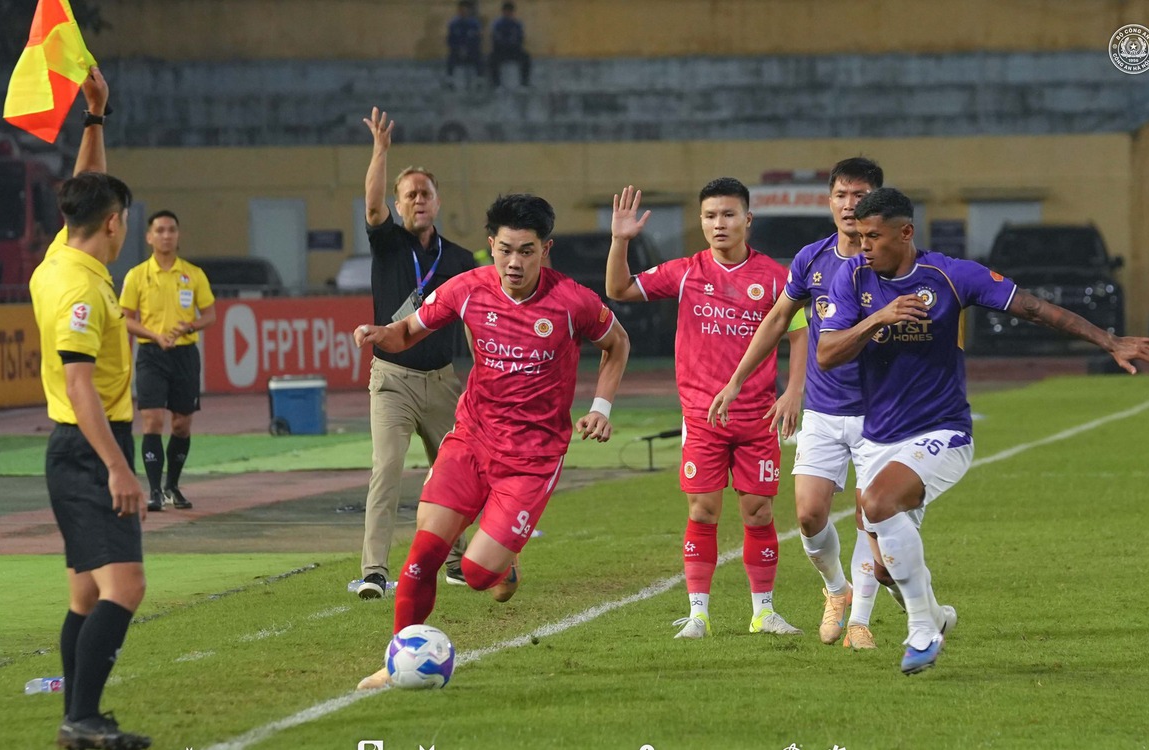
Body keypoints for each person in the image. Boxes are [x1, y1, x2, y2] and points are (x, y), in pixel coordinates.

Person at [817, 187, 1149, 674]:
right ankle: (937, 615)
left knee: (877, 504)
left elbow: (1034, 308)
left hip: (942, 431)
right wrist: (879, 318)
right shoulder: (852, 278)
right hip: (878, 437)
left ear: (905, 232)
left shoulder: (951, 275)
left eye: (874, 236)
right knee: (886, 567)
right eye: (860, 236)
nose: (864, 245)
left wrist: (1109, 340)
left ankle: (922, 631)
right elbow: (827, 354)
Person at [354, 193, 630, 689]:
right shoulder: (467, 288)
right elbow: (408, 331)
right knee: (422, 555)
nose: (514, 263)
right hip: (472, 440)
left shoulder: (573, 301)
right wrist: (380, 334)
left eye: (526, 251)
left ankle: (503, 563)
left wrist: (600, 408)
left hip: (532, 459)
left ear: (546, 249)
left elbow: (618, 343)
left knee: (480, 576)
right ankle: (395, 663)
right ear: (491, 245)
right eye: (505, 250)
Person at [606, 179, 809, 639]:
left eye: (729, 214)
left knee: (759, 513)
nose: (720, 224)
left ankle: (764, 613)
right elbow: (617, 288)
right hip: (702, 418)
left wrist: (794, 390)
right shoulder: (685, 272)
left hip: (758, 417)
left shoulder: (775, 277)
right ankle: (698, 615)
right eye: (711, 216)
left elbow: (799, 334)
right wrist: (620, 241)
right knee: (702, 512)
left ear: (747, 220)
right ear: (701, 222)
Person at [709, 157, 898, 650]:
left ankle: (860, 622)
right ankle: (837, 589)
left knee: (870, 518)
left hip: (882, 413)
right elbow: (777, 320)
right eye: (841, 195)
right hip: (826, 409)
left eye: (860, 196)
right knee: (810, 516)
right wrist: (736, 380)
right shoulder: (812, 259)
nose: (849, 205)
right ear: (829, 201)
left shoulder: (895, 263)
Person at [28, 66, 152, 749]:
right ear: (113, 223)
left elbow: (86, 186)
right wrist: (117, 467)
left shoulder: (60, 259)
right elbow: (80, 386)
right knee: (124, 587)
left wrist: (95, 116)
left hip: (73, 447)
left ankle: (78, 719)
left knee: (84, 595)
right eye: (123, 217)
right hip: (89, 447)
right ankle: (82, 717)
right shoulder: (81, 289)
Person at [356, 108, 477, 599]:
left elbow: (475, 320)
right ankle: (373, 571)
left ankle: (456, 559)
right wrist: (380, 151)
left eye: (425, 193)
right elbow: (371, 206)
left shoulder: (459, 259)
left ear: (437, 201)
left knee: (455, 473)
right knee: (386, 471)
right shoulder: (389, 243)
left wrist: (484, 374)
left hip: (442, 381)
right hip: (393, 380)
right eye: (410, 195)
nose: (419, 200)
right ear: (398, 204)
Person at [119, 210, 216, 512]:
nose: (166, 235)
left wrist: (190, 326)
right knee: (152, 419)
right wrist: (154, 335)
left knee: (182, 424)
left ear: (178, 235)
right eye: (159, 230)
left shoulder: (193, 274)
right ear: (149, 237)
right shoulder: (137, 275)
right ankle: (154, 490)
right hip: (151, 354)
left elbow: (210, 315)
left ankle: (172, 484)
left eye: (171, 230)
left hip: (184, 355)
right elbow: (125, 318)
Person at [489, 1, 531, 87]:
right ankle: (496, 84)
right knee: (491, 59)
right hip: (501, 50)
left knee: (526, 57)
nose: (508, 13)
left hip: (514, 50)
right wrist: (505, 44)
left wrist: (513, 44)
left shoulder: (517, 24)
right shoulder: (497, 24)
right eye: (506, 11)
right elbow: (495, 38)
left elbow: (520, 38)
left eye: (510, 11)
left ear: (512, 12)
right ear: (503, 12)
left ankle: (524, 82)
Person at [446, 0, 484, 85]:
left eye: (465, 10)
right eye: (461, 10)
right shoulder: (453, 24)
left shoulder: (475, 23)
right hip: (458, 51)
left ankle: (480, 79)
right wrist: (459, 48)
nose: (463, 12)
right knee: (451, 57)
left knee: (479, 57)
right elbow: (450, 40)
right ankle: (450, 79)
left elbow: (478, 40)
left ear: (469, 11)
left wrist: (469, 48)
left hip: (471, 50)